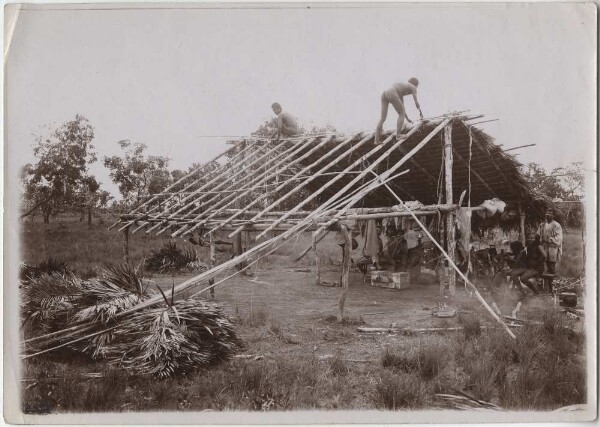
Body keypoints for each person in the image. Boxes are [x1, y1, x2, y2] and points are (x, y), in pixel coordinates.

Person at [374, 78, 424, 145]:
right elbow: (416, 101)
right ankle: (398, 135)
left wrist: (407, 118)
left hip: (385, 92)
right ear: (416, 85)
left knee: (383, 118)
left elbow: (402, 108)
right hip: (392, 92)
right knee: (401, 113)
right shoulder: (413, 86)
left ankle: (376, 140)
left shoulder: (400, 90)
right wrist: (419, 108)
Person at [509, 233, 546, 298]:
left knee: (523, 278)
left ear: (536, 239)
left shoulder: (539, 246)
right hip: (528, 267)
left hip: (536, 268)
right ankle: (522, 292)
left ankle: (536, 292)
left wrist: (538, 263)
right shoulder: (529, 246)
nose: (530, 239)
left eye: (532, 238)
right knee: (513, 274)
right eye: (529, 238)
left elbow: (544, 255)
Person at [538, 209, 563, 290]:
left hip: (552, 248)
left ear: (553, 216)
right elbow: (538, 235)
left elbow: (559, 238)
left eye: (550, 214)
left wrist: (550, 239)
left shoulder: (557, 225)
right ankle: (542, 287)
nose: (548, 215)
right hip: (543, 247)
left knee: (551, 267)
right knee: (541, 266)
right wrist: (539, 241)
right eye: (547, 213)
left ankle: (552, 288)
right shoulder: (542, 224)